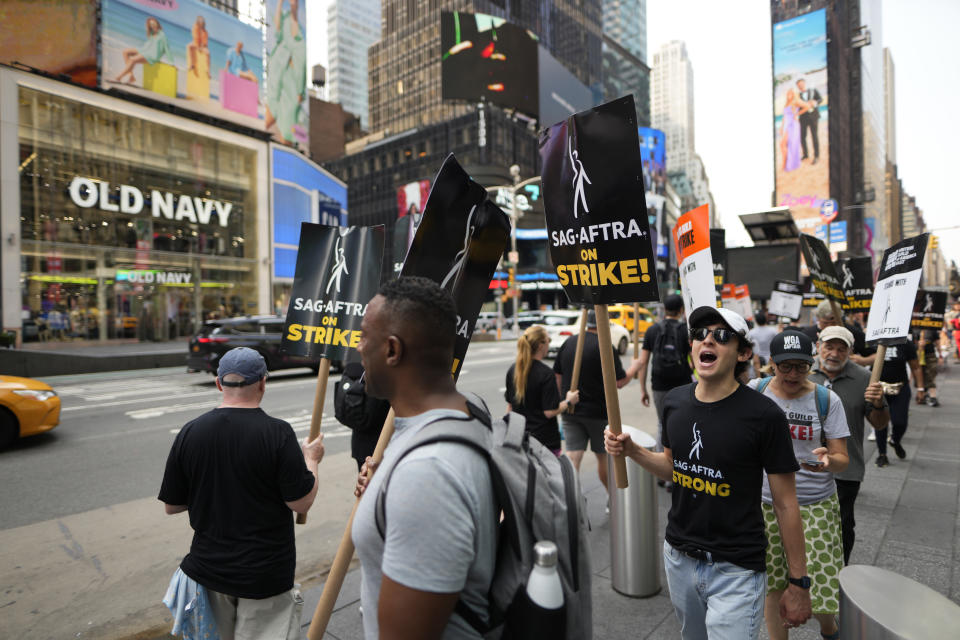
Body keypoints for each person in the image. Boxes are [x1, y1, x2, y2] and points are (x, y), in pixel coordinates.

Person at [605, 306, 812, 639]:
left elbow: (786, 504)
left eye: (722, 336)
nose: (707, 341)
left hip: (737, 569)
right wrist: (633, 451)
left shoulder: (764, 416)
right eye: (700, 334)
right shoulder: (674, 402)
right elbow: (675, 468)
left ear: (743, 352)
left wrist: (799, 583)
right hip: (679, 558)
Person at [352, 277, 497, 638]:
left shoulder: (427, 474)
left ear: (392, 350)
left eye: (363, 335)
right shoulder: (472, 409)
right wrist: (387, 486)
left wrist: (404, 485)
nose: (357, 347)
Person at [159, 347, 324, 638]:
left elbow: (172, 505)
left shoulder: (191, 432)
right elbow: (301, 502)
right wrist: (312, 459)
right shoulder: (278, 433)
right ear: (262, 383)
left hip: (208, 572)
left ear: (219, 383)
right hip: (265, 577)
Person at [747, 330, 849, 640]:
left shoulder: (825, 399)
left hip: (815, 504)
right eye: (785, 366)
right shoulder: (755, 391)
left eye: (801, 366)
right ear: (771, 364)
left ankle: (829, 629)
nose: (793, 374)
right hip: (765, 502)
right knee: (773, 583)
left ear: (811, 363)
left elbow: (843, 458)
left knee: (814, 580)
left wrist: (830, 460)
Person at [808, 326, 889, 564]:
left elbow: (880, 424)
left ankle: (839, 570)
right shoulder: (802, 372)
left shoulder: (865, 379)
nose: (834, 353)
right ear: (818, 346)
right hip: (804, 464)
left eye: (841, 349)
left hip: (846, 467)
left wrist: (878, 403)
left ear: (850, 351)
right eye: (829, 347)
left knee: (842, 524)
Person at [554, 309, 637, 499]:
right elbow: (619, 382)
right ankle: (612, 500)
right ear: (603, 323)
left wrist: (563, 400)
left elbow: (557, 374)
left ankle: (570, 502)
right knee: (603, 458)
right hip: (598, 413)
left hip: (571, 410)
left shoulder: (569, 342)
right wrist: (636, 367)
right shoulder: (605, 346)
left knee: (573, 458)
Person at [505, 325, 579, 455]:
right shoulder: (545, 373)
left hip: (521, 438)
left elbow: (510, 407)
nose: (549, 343)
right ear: (540, 345)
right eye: (548, 340)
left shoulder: (513, 370)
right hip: (545, 443)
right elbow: (549, 412)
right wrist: (568, 401)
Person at [874, 338, 924, 466]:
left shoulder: (905, 343)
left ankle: (895, 440)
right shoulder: (874, 341)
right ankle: (882, 454)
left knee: (900, 422)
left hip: (900, 388)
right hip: (879, 389)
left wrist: (920, 389)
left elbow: (916, 367)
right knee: (880, 422)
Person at [265, 0, 306, 142]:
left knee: (289, 123)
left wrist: (300, 91)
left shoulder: (297, 30)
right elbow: (277, 26)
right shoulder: (284, 17)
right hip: (280, 71)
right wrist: (280, 3)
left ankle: (291, 143)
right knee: (274, 112)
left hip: (291, 79)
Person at [802, 301, 875, 367]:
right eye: (825, 323)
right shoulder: (806, 334)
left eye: (834, 322)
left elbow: (877, 355)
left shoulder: (852, 332)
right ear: (818, 318)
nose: (830, 326)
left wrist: (864, 360)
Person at [113, 17, 173, 85]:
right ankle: (131, 76)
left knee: (132, 60)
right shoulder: (152, 33)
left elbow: (167, 49)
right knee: (125, 52)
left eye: (154, 23)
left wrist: (171, 63)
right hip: (144, 51)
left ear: (157, 24)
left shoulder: (162, 35)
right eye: (150, 24)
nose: (152, 25)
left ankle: (118, 78)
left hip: (152, 55)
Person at [796, 78, 822, 164]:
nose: (801, 86)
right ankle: (805, 155)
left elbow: (820, 99)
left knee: (814, 136)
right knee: (802, 137)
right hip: (803, 118)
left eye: (802, 84)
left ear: (805, 83)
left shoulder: (813, 90)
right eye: (799, 85)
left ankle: (816, 156)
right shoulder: (798, 95)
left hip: (814, 117)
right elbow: (796, 106)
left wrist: (815, 102)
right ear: (798, 87)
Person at [779, 89, 803, 172]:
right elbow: (784, 117)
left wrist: (797, 114)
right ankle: (786, 163)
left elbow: (807, 106)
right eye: (788, 93)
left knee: (784, 144)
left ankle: (785, 164)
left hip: (793, 125)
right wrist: (781, 127)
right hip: (787, 125)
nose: (789, 95)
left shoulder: (796, 102)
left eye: (791, 93)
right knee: (784, 145)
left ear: (794, 94)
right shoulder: (786, 103)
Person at [917, 329, 941, 407]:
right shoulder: (914, 328)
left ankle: (932, 395)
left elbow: (938, 342)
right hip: (918, 355)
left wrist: (940, 355)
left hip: (930, 355)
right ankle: (922, 393)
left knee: (931, 374)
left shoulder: (932, 329)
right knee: (920, 375)